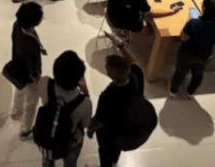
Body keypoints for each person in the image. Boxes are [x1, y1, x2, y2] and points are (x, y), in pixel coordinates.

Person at [88, 39, 152, 167]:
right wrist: (122, 47)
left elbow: (99, 120)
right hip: (127, 129)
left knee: (105, 151)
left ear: (111, 74)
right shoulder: (136, 75)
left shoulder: (107, 96)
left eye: (107, 69)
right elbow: (133, 61)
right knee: (116, 149)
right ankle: (114, 162)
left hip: (111, 133)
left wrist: (90, 129)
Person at [37, 51, 92, 166]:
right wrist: (84, 87)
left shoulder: (44, 83)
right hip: (69, 143)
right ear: (79, 78)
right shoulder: (85, 103)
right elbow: (85, 125)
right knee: (70, 162)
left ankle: (47, 162)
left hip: (46, 136)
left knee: (47, 158)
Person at [170, 0, 215, 96]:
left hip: (187, 53)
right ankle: (190, 91)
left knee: (180, 72)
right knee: (198, 74)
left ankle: (173, 90)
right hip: (205, 54)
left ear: (204, 8)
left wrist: (189, 21)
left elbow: (183, 37)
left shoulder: (194, 23)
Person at [9, 2, 46, 140]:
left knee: (19, 89)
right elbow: (32, 67)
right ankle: (25, 130)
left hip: (17, 67)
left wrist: (40, 46)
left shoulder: (17, 25)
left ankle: (16, 111)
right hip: (30, 75)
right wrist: (37, 80)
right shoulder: (29, 44)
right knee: (31, 102)